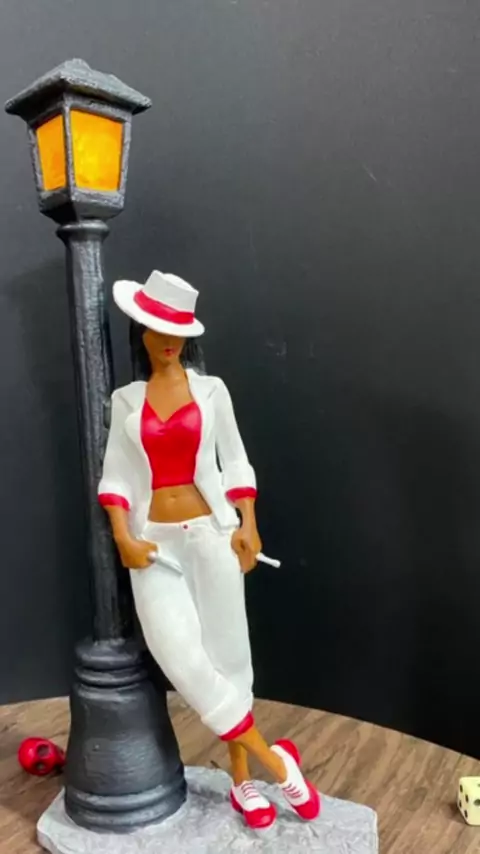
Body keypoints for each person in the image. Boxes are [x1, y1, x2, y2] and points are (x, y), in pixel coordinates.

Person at [98, 270, 320, 829]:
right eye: (157, 328)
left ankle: (243, 781)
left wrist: (248, 523)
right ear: (141, 331)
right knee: (180, 656)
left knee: (229, 657)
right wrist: (123, 536)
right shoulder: (125, 401)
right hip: (154, 545)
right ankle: (278, 765)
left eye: (178, 329)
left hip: (211, 533)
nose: (168, 340)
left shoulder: (212, 390)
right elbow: (116, 475)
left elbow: (235, 459)